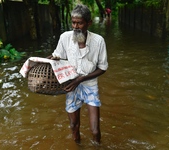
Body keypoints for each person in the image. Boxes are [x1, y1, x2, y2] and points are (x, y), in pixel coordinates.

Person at [47, 4, 108, 145]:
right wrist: (50, 59)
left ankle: (97, 146)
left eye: (80, 23)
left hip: (90, 84)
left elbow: (103, 68)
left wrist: (81, 79)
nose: (75, 26)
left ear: (89, 23)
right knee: (74, 127)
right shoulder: (65, 38)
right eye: (73, 22)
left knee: (95, 130)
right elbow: (58, 56)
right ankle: (78, 146)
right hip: (71, 85)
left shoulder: (98, 41)